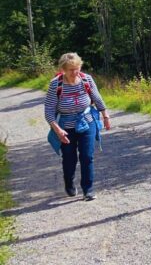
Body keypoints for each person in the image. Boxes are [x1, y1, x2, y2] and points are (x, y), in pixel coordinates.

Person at [44, 53, 111, 200]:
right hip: (65, 126)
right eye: (70, 69)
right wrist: (57, 130)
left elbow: (97, 99)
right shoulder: (56, 84)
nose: (74, 72)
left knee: (87, 156)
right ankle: (69, 183)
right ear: (63, 69)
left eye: (77, 68)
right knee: (69, 158)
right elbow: (48, 111)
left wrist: (105, 116)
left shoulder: (86, 79)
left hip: (87, 122)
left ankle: (88, 189)